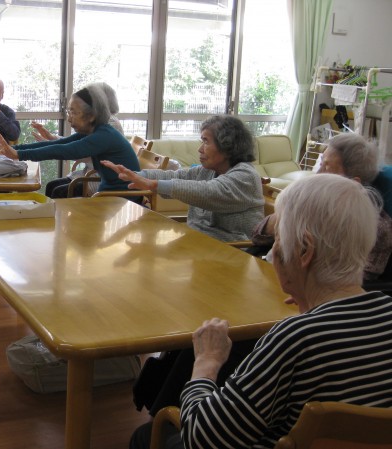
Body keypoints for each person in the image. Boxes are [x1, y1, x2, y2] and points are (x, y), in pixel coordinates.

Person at [130, 174, 392, 449]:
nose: (273, 251)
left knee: (146, 436)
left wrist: (206, 362)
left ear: (304, 250)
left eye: (278, 239)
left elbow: (202, 437)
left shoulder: (294, 339)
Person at [252, 132, 392, 280]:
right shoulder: (310, 204)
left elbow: (359, 282)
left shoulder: (377, 228)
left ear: (353, 183)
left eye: (326, 167)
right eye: (320, 164)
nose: (317, 174)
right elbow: (258, 237)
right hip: (272, 276)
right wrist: (288, 212)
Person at [102, 115, 264, 242]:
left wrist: (153, 184)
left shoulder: (246, 176)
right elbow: (177, 175)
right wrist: (136, 175)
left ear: (227, 146)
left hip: (233, 253)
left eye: (206, 142)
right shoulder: (208, 170)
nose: (200, 149)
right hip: (198, 245)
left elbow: (207, 192)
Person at [0, 83, 141, 198]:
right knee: (54, 189)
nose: (69, 118)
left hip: (123, 198)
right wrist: (16, 149)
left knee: (59, 194)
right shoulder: (96, 131)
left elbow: (64, 150)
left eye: (73, 113)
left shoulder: (104, 135)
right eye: (69, 112)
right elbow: (58, 144)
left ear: (92, 116)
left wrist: (19, 155)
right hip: (108, 193)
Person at [31, 82, 124, 198]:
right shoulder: (100, 120)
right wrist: (51, 138)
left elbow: (82, 152)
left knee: (58, 192)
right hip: (90, 174)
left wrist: (50, 145)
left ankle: (58, 211)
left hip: (100, 180)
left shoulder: (110, 124)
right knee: (51, 186)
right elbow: (78, 143)